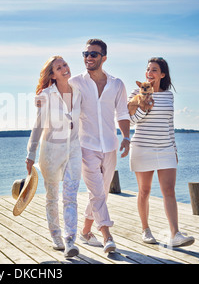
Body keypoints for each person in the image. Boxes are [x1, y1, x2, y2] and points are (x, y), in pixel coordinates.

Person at [69, 39, 131, 253]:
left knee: (101, 192)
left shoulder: (116, 84)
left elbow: (122, 113)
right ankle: (107, 235)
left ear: (104, 57)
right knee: (96, 192)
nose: (88, 58)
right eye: (85, 54)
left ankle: (85, 231)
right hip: (85, 146)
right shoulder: (75, 82)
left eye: (93, 54)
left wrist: (126, 137)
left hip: (110, 145)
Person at [128, 57, 194, 247]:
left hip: (165, 148)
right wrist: (144, 108)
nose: (149, 72)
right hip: (142, 147)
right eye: (148, 69)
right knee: (144, 191)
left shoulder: (168, 96)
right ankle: (145, 230)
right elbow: (131, 121)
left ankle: (175, 234)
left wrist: (174, 149)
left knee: (169, 191)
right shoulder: (136, 92)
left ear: (162, 74)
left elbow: (169, 125)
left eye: (154, 70)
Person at [26, 56, 82, 258]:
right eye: (59, 68)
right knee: (52, 197)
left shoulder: (78, 91)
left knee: (70, 197)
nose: (65, 69)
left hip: (74, 150)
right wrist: (30, 154)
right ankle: (56, 236)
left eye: (65, 65)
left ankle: (70, 240)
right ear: (52, 74)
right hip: (50, 152)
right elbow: (38, 125)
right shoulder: (47, 95)